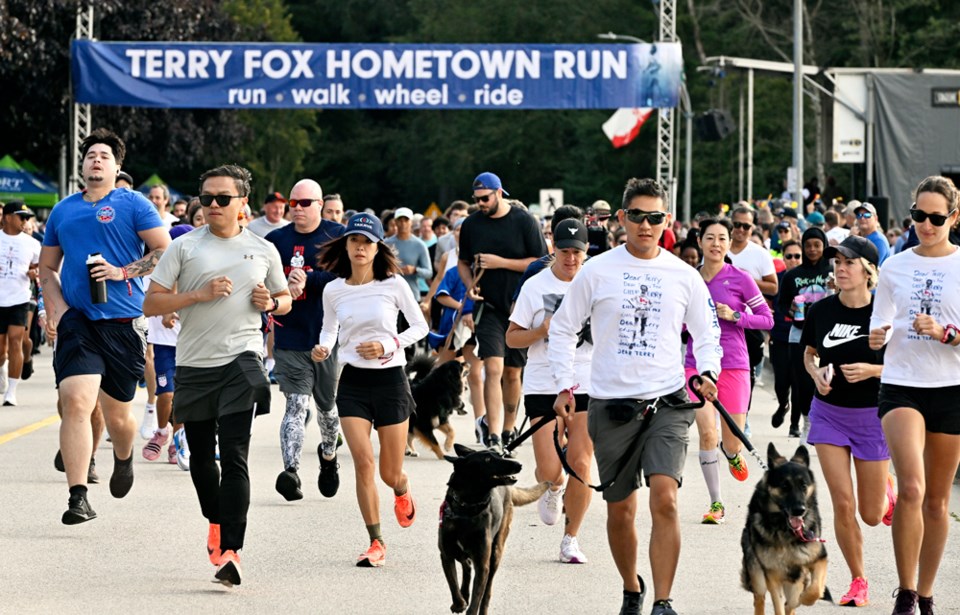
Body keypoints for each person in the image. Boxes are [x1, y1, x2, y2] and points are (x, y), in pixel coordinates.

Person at [548, 178, 721, 615]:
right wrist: (564, 384)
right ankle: (631, 588)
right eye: (638, 217)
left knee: (665, 497)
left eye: (656, 218)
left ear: (668, 221)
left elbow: (707, 333)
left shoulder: (683, 274)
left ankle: (663, 601)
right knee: (621, 510)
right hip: (611, 405)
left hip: (667, 401)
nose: (647, 226)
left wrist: (707, 370)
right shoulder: (597, 270)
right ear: (621, 219)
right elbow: (564, 328)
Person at [144, 164, 292, 587]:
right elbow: (151, 304)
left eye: (222, 198)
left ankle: (232, 551)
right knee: (202, 461)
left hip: (242, 361)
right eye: (206, 198)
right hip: (194, 362)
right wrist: (197, 295)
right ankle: (215, 520)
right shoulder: (184, 247)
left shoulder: (263, 250)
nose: (211, 205)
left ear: (242, 203)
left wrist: (272, 303)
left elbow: (284, 300)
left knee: (235, 456)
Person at [39, 128, 170, 524]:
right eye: (90, 154)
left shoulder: (134, 204)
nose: (96, 159)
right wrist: (57, 307)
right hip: (79, 321)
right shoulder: (63, 210)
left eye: (104, 156)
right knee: (76, 402)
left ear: (117, 167)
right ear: (82, 165)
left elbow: (164, 250)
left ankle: (124, 456)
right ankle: (78, 496)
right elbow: (47, 268)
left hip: (124, 322)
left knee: (118, 418)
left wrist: (120, 271)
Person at [312, 213, 427, 568]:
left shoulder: (393, 285)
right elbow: (329, 328)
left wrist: (388, 345)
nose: (360, 248)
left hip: (391, 381)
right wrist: (324, 347)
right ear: (345, 245)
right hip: (353, 385)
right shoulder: (333, 289)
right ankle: (376, 541)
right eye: (354, 241)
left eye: (367, 242)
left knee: (388, 473)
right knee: (363, 463)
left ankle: (402, 488)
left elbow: (420, 327)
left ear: (378, 247)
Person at [869, 176, 960, 615]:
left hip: (951, 388)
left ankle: (925, 593)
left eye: (936, 218)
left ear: (953, 218)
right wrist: (876, 336)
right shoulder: (894, 266)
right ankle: (905, 593)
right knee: (911, 488)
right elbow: (879, 319)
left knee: (939, 501)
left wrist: (948, 333)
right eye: (919, 216)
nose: (926, 224)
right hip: (903, 383)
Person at [800, 235, 895, 607]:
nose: (840, 269)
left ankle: (887, 493)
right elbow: (809, 354)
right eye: (836, 262)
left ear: (868, 271)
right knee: (842, 502)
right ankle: (859, 580)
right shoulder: (821, 311)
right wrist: (815, 374)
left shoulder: (886, 315)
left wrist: (874, 370)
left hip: (873, 416)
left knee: (871, 514)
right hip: (829, 415)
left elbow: (906, 366)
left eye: (849, 263)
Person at [506, 219, 594, 564]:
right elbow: (512, 337)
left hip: (587, 379)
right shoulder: (534, 285)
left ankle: (570, 539)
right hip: (543, 380)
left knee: (582, 463)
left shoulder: (595, 284)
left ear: (586, 254)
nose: (570, 259)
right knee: (549, 469)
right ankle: (554, 488)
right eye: (564, 251)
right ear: (552, 250)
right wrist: (542, 330)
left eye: (577, 253)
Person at [686, 218, 773, 524]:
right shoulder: (688, 279)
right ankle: (716, 503)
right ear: (700, 241)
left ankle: (733, 453)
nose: (716, 244)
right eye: (710, 238)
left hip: (734, 362)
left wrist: (737, 316)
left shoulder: (741, 278)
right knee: (706, 432)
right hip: (695, 364)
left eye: (722, 238)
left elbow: (767, 320)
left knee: (731, 440)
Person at [265, 179, 345, 501]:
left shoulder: (337, 236)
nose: (297, 209)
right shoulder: (275, 240)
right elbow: (262, 280)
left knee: (327, 408)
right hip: (290, 334)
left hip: (327, 335)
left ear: (320, 203)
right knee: (295, 405)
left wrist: (309, 279)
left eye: (305, 203)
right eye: (293, 203)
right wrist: (282, 287)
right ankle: (292, 471)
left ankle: (329, 457)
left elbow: (349, 275)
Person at [459, 172, 547, 453]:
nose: (481, 204)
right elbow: (463, 262)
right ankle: (493, 433)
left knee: (512, 373)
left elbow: (540, 262)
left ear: (499, 193)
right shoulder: (472, 224)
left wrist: (501, 262)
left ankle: (509, 429)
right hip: (489, 306)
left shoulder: (524, 221)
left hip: (520, 308)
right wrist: (468, 286)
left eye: (485, 198)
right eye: (477, 200)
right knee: (493, 367)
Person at [775, 227, 832, 438]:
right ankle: (808, 422)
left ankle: (825, 421)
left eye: (817, 245)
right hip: (799, 334)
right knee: (803, 381)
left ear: (824, 246)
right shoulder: (792, 275)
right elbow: (781, 304)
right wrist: (790, 309)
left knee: (828, 380)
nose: (812, 249)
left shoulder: (832, 272)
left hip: (828, 335)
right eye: (808, 245)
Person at [0, 202, 41, 406]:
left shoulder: (32, 243)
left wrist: (34, 272)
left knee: (16, 340)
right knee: (1, 348)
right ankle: (2, 369)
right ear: (7, 217)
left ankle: (11, 391)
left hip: (20, 298)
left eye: (27, 218)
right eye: (21, 217)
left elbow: (39, 266)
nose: (26, 221)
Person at [769, 240, 801, 425]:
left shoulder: (807, 277)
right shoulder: (777, 279)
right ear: (783, 257)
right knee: (781, 381)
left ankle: (795, 424)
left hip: (800, 338)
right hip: (779, 336)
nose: (793, 260)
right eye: (789, 256)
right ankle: (783, 405)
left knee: (798, 383)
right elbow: (766, 302)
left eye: (797, 256)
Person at [385, 207, 432, 303]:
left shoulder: (419, 245)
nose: (403, 224)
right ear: (395, 222)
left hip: (412, 296)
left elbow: (429, 273)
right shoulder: (386, 244)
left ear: (411, 222)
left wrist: (414, 270)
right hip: (390, 296)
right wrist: (390, 271)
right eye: (400, 220)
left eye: (406, 220)